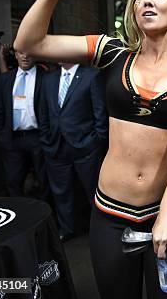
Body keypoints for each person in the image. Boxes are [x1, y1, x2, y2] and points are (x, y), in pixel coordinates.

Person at [14, 0, 167, 299]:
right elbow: (28, 44)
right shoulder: (112, 52)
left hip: (165, 212)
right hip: (110, 213)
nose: (147, 0)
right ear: (133, 10)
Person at [39, 63, 108, 241]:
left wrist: (95, 141)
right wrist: (46, 140)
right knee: (61, 192)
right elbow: (43, 112)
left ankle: (102, 231)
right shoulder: (48, 79)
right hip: (56, 146)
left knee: (93, 190)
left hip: (85, 147)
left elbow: (100, 113)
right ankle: (67, 229)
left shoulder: (91, 76)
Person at [0, 49, 49, 200]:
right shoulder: (5, 79)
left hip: (38, 138)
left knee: (45, 181)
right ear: (16, 55)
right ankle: (19, 216)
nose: (25, 56)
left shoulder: (45, 78)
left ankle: (44, 216)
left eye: (29, 53)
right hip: (13, 139)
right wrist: (1, 136)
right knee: (13, 181)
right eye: (21, 53)